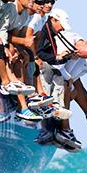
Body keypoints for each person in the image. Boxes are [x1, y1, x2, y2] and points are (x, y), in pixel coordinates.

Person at [34, 8, 80, 148]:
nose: (61, 30)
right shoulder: (44, 31)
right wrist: (58, 58)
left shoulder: (53, 32)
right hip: (43, 68)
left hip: (52, 68)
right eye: (60, 26)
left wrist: (64, 57)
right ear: (53, 20)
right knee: (49, 89)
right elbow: (40, 53)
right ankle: (47, 130)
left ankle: (57, 129)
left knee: (60, 80)